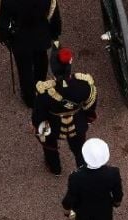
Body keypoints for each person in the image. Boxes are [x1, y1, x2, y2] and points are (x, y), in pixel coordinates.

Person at [32, 47, 97, 176]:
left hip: (54, 127)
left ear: (54, 68)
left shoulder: (44, 92)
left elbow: (39, 115)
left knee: (49, 145)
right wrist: (87, 119)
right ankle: (82, 171)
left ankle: (55, 168)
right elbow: (90, 105)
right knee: (79, 150)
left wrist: (37, 126)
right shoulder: (84, 85)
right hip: (78, 125)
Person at [61, 138, 122, 220]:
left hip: (83, 210)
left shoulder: (76, 177)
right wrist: (116, 202)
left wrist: (66, 209)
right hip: (104, 209)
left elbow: (70, 197)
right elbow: (117, 192)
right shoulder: (113, 172)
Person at [0, 0, 61, 108]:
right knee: (41, 60)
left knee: (24, 69)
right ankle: (40, 87)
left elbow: (4, 20)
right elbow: (53, 13)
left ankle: (29, 98)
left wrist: (3, 36)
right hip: (41, 34)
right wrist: (55, 32)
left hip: (20, 38)